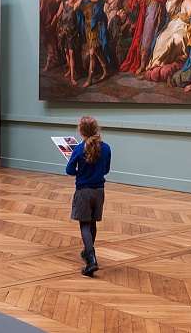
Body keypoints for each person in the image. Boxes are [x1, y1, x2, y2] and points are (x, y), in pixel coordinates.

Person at [65, 116, 111, 277]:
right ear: (96, 129)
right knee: (92, 223)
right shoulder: (106, 148)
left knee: (84, 224)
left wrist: (81, 171)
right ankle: (88, 252)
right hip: (99, 191)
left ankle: (91, 259)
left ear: (80, 131)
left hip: (83, 191)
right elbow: (106, 170)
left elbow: (69, 170)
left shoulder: (78, 149)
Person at [120, 0, 168, 74]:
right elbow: (132, 5)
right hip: (148, 13)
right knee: (147, 35)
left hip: (158, 9)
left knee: (159, 34)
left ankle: (155, 61)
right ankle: (143, 64)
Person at [74, 0, 113, 87]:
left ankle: (90, 78)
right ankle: (105, 71)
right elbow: (75, 7)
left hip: (94, 26)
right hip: (87, 28)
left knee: (91, 53)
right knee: (96, 51)